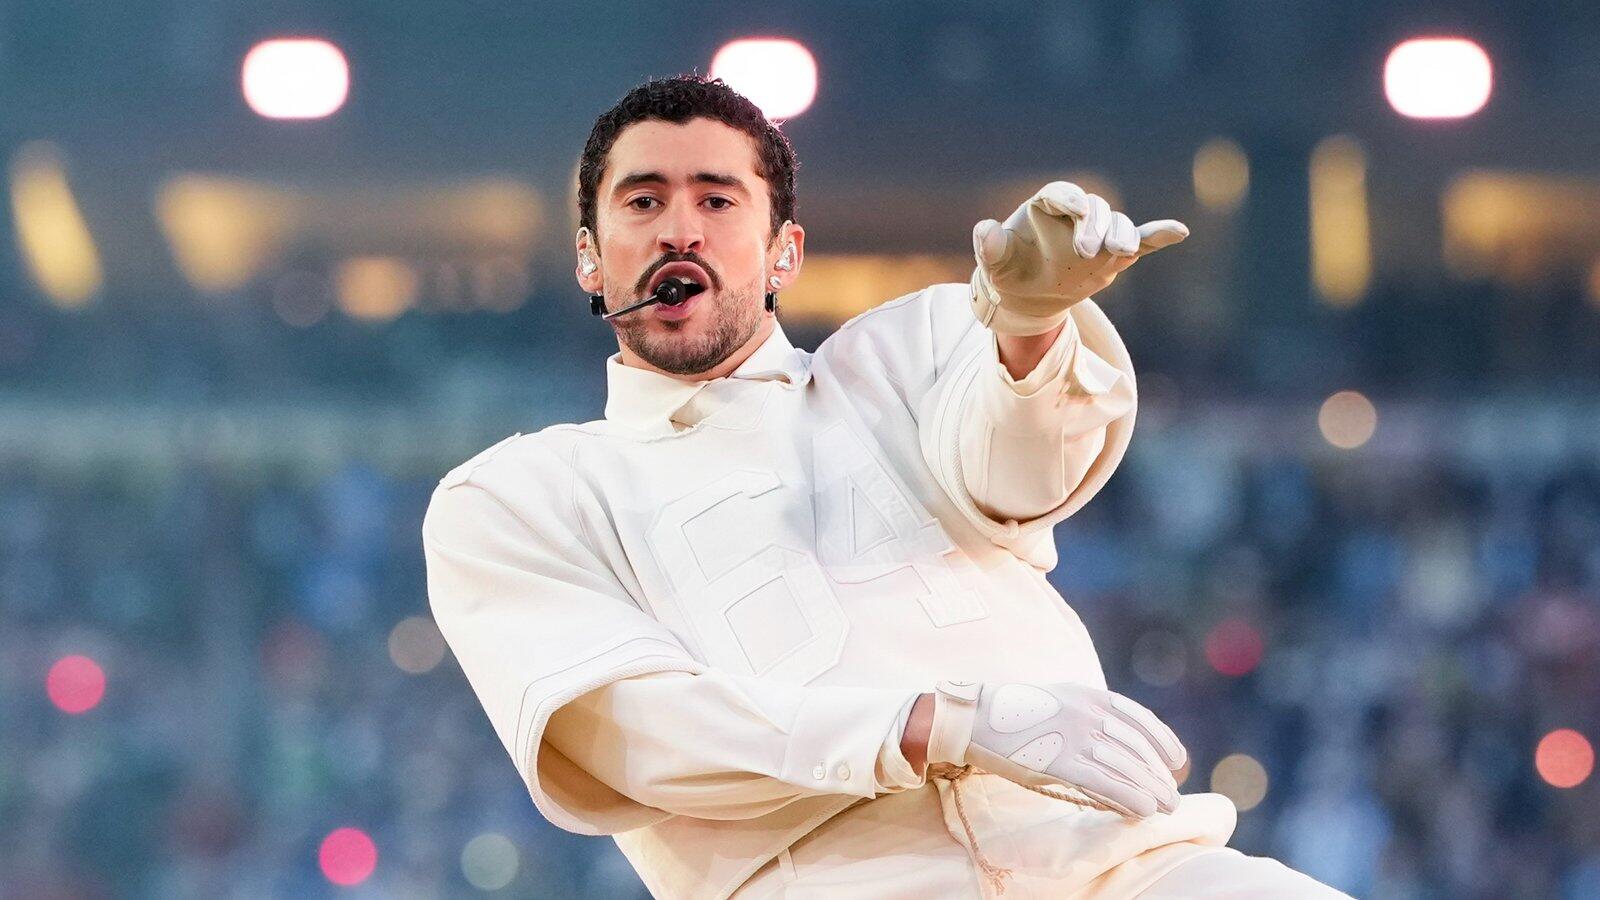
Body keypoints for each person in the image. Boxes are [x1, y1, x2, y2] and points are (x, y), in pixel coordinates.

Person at [423, 75, 1349, 899]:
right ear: (590, 257)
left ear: (784, 253)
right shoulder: (518, 497)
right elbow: (636, 732)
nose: (680, 228)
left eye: (717, 198)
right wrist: (941, 724)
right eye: (642, 200)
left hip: (1120, 860)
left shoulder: (903, 355)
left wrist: (1031, 327)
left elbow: (1025, 477)